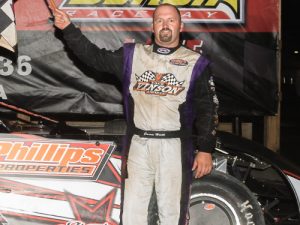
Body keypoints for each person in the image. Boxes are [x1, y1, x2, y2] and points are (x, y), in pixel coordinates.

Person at [49, 3, 219, 225]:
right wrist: (69, 29)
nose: (165, 25)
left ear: (181, 25)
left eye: (170, 20)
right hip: (139, 145)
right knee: (131, 212)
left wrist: (205, 148)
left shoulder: (196, 62)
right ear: (153, 26)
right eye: (159, 20)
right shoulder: (133, 55)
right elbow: (94, 57)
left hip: (174, 147)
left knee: (171, 212)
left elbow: (209, 107)